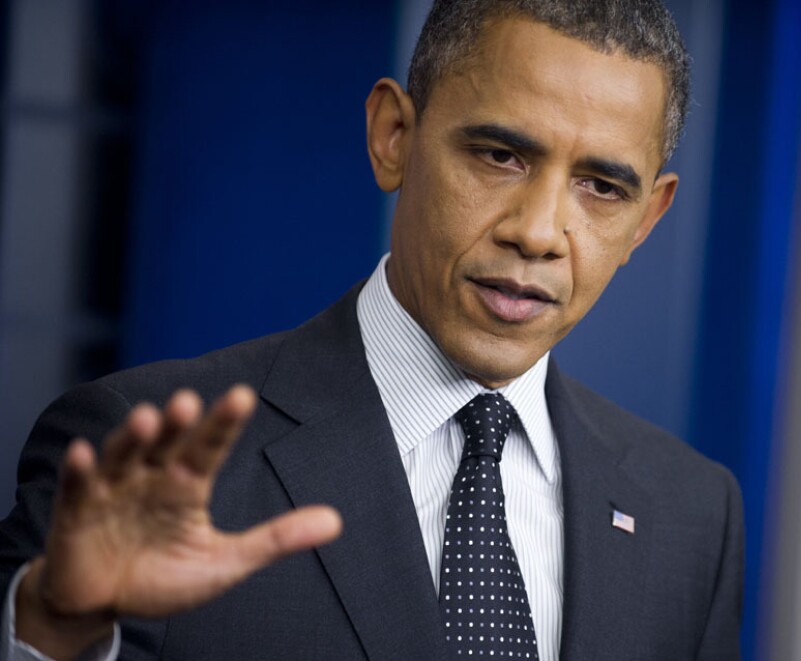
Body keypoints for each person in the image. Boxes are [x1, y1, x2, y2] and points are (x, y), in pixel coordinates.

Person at [0, 0, 744, 659]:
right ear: (393, 135)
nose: (540, 232)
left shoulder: (693, 516)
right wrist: (54, 630)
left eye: (601, 187)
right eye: (500, 155)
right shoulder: (137, 451)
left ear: (648, 217)